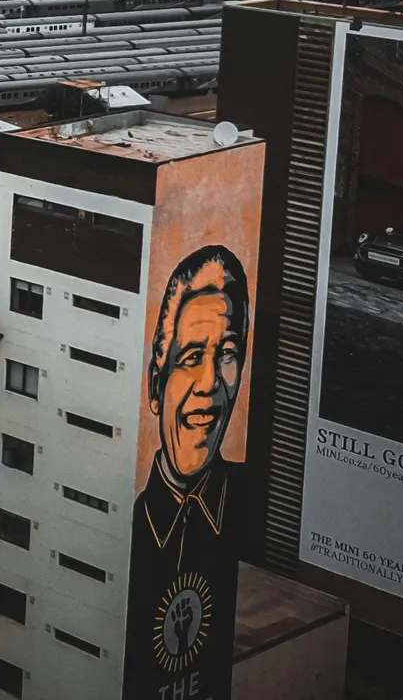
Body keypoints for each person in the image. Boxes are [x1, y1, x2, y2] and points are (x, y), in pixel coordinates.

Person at [126, 244, 250, 700]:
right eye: (190, 357)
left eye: (228, 354)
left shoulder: (249, 499)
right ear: (156, 386)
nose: (209, 383)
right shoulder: (124, 529)